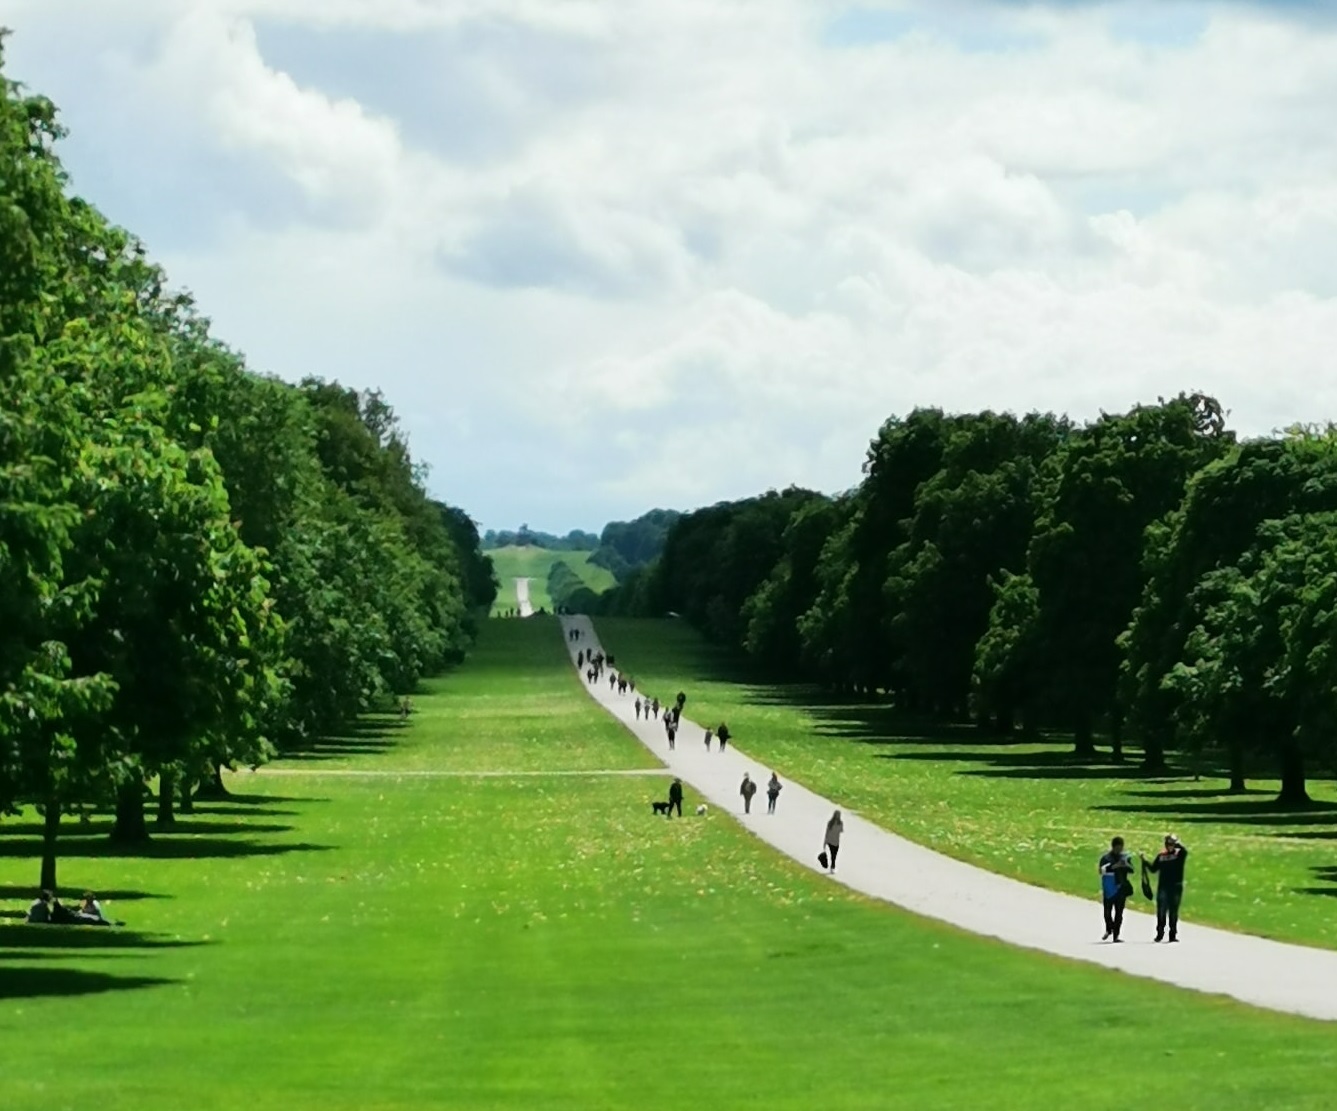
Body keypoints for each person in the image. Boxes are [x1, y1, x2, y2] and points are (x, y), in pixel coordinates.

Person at [1144, 834, 1189, 942]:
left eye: (1172, 844)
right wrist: (1145, 861)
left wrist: (1177, 842)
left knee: (1173, 911)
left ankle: (1172, 935)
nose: (1170, 846)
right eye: (1168, 844)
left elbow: (1185, 851)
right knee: (1161, 911)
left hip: (1176, 887)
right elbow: (1153, 869)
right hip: (1163, 887)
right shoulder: (1161, 856)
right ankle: (1160, 933)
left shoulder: (1179, 854)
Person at [1098, 836, 1134, 942]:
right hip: (1109, 888)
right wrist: (1115, 866)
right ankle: (1109, 928)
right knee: (1107, 913)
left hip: (1121, 889)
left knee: (1119, 913)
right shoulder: (1106, 858)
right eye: (1118, 848)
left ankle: (1116, 935)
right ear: (1113, 847)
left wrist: (1125, 865)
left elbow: (1132, 870)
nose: (1120, 850)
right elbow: (1101, 871)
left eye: (1121, 848)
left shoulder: (1124, 858)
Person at [823, 810, 844, 874]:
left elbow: (841, 831)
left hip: (836, 841)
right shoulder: (833, 823)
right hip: (832, 841)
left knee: (834, 855)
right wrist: (825, 842)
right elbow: (827, 832)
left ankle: (832, 866)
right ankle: (832, 867)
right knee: (833, 855)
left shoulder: (838, 823)